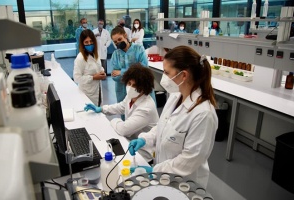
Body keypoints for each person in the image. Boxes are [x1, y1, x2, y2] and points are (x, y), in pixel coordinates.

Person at [128, 46, 218, 189]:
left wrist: (155, 171)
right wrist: (144, 139)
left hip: (185, 184)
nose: (164, 77)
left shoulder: (203, 114)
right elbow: (162, 127)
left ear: (183, 75)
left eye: (166, 72)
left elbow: (190, 159)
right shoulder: (175, 96)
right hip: (164, 178)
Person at [84, 64, 159, 162]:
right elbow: (121, 106)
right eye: (129, 83)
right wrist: (102, 109)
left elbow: (124, 129)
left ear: (144, 87)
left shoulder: (146, 108)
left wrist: (114, 120)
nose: (130, 87)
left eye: (135, 85)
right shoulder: (132, 96)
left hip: (143, 151)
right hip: (130, 141)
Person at [110, 26, 156, 111]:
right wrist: (135, 70)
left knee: (144, 114)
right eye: (115, 42)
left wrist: (122, 72)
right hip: (123, 91)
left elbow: (143, 69)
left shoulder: (138, 49)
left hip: (141, 88)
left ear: (125, 35)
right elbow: (114, 76)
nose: (118, 43)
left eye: (120, 39)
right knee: (126, 115)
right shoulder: (115, 55)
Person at [73, 29, 106, 106]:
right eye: (86, 42)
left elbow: (99, 67)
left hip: (98, 91)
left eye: (91, 41)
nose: (89, 44)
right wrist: (93, 77)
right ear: (82, 44)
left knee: (98, 111)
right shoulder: (80, 58)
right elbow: (76, 78)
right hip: (87, 94)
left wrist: (102, 72)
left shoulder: (96, 54)